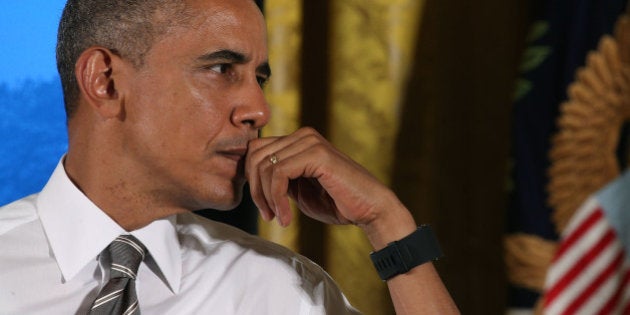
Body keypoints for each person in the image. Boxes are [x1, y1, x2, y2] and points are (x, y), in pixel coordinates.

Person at [0, 0, 459, 314]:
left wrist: (388, 223)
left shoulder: (284, 291)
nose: (259, 110)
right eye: (222, 70)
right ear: (105, 80)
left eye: (258, 77)